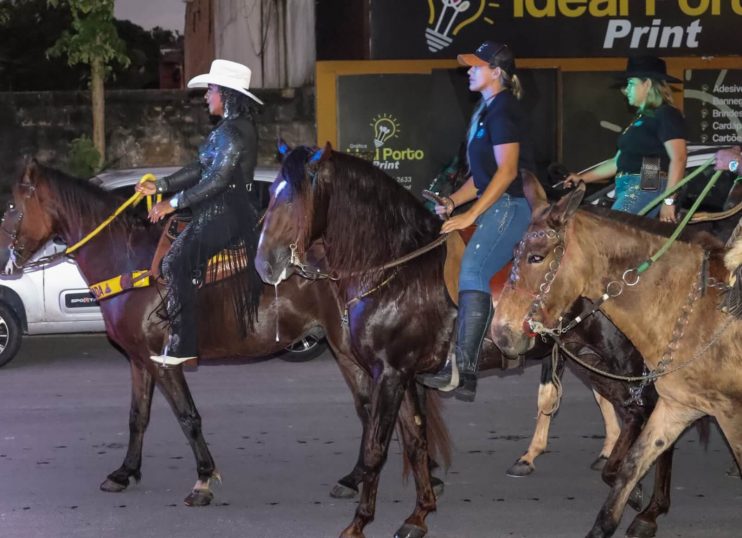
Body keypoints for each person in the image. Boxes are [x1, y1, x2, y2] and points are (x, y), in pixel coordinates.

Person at [419, 41, 535, 402]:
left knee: (472, 271)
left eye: (476, 66)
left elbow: (507, 173)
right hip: (493, 204)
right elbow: (482, 178)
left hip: (510, 207)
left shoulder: (503, 112)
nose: (468, 71)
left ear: (496, 72)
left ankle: (464, 370)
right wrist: (453, 201)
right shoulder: (485, 112)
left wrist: (469, 214)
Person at [136, 59, 264, 366]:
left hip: (229, 213)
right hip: (216, 208)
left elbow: (218, 179)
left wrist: (173, 203)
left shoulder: (234, 132)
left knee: (175, 262)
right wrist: (162, 185)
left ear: (226, 94)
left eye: (210, 90)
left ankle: (184, 344)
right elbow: (199, 169)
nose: (207, 96)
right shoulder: (226, 130)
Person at [564, 56, 687, 222]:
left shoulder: (666, 114)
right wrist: (582, 177)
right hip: (629, 185)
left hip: (647, 180)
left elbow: (679, 157)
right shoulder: (641, 120)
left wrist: (669, 201)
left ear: (648, 84)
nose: (625, 89)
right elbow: (617, 162)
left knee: (611, 229)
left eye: (630, 83)